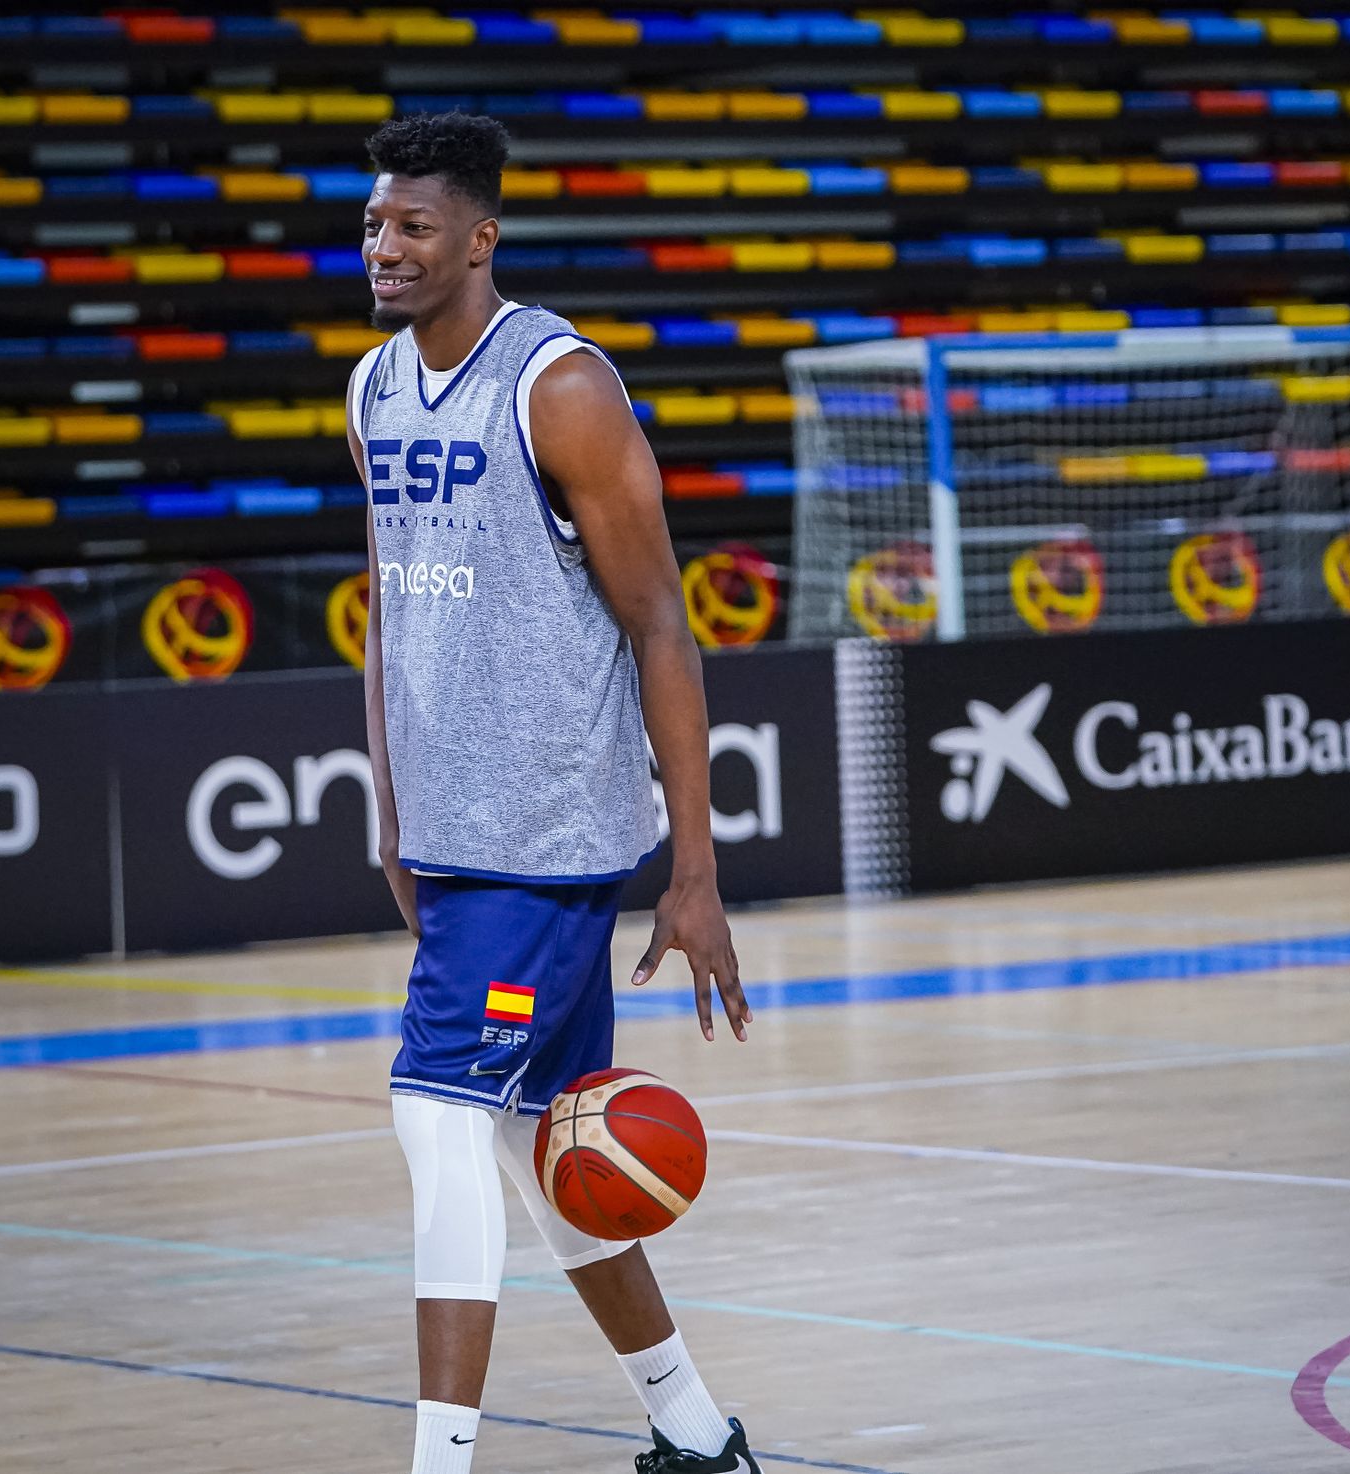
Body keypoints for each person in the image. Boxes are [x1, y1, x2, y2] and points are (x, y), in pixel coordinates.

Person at [344, 111, 759, 1474]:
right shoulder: (371, 389)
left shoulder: (559, 385)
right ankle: (699, 1436)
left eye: (413, 226)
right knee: (550, 1140)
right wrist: (391, 809)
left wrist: (693, 870)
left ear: (481, 238)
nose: (384, 246)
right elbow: (390, 610)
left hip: (546, 832)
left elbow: (660, 622)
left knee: (437, 1111)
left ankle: (439, 1464)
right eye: (373, 223)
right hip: (453, 833)